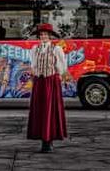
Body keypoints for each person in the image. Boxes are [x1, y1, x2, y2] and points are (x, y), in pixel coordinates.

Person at [27, 23, 68, 153]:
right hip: (39, 82)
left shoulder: (56, 49)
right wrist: (34, 72)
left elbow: (62, 67)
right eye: (41, 35)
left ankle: (49, 141)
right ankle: (42, 140)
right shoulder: (35, 49)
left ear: (50, 36)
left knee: (50, 112)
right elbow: (33, 65)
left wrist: (57, 76)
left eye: (45, 34)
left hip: (51, 82)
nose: (43, 36)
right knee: (40, 112)